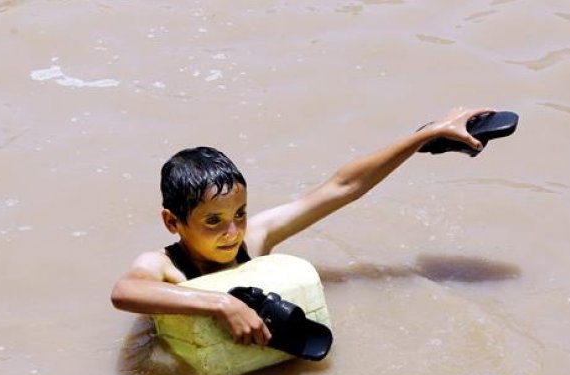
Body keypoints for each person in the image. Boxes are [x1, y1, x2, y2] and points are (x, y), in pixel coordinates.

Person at [111, 106, 492, 348]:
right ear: (172, 222)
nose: (232, 231)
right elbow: (124, 292)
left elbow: (341, 188)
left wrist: (426, 135)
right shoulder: (164, 265)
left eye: (239, 213)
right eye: (213, 221)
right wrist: (222, 304)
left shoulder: (254, 240)